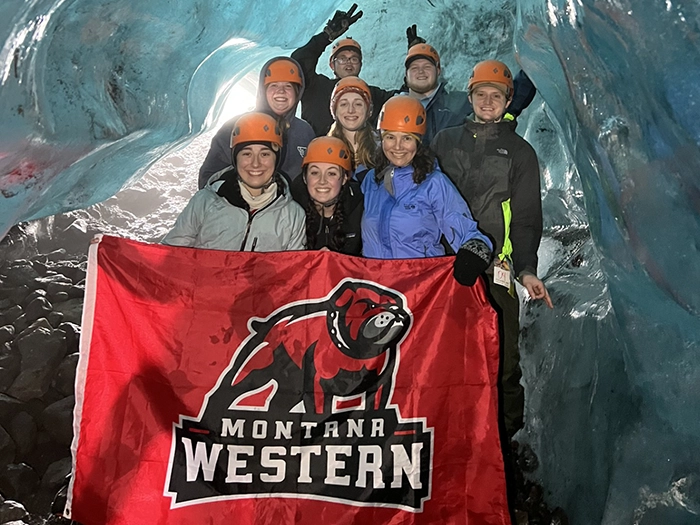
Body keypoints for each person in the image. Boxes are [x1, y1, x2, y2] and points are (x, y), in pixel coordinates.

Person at [431, 59, 553, 437]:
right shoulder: (444, 142)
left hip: (494, 268)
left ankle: (503, 442)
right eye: (481, 94)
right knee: (443, 354)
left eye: (496, 95)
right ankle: (444, 434)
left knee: (502, 358)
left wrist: (526, 268)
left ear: (507, 101)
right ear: (470, 97)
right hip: (443, 270)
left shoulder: (519, 152)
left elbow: (527, 217)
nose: (487, 101)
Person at [361, 95, 493, 285]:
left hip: (419, 288)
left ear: (418, 142)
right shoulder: (371, 181)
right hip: (376, 288)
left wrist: (475, 248)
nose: (397, 147)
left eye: (407, 138)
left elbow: (458, 222)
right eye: (390, 137)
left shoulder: (434, 183)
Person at [164, 112, 305, 252]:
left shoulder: (293, 215)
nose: (255, 164)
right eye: (247, 154)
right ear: (235, 159)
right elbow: (172, 256)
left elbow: (294, 270)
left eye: (265, 154)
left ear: (277, 159)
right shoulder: (206, 202)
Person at [403, 25, 537, 144]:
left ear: (438, 71)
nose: (420, 72)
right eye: (414, 68)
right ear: (406, 74)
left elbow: (505, 100)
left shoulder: (456, 105)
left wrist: (534, 58)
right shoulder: (393, 101)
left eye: (427, 66)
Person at [198, 57, 315, 188]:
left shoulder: (305, 132)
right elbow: (209, 178)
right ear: (263, 91)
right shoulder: (236, 127)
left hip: (292, 208)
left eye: (288, 86)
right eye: (274, 85)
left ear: (297, 92)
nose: (281, 91)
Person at [291, 4, 395, 136]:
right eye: (342, 58)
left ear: (360, 64)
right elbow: (298, 61)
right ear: (331, 65)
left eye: (354, 59)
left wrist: (417, 60)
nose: (348, 62)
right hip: (316, 155)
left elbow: (406, 96)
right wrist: (326, 36)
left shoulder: (374, 95)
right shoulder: (315, 87)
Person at [290, 136, 363, 255]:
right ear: (304, 177)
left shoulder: (360, 209)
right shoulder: (293, 212)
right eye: (315, 173)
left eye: (331, 173)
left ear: (344, 178)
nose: (322, 181)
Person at [328, 76, 378, 182]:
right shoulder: (324, 149)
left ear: (369, 111)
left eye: (358, 104)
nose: (351, 110)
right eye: (344, 104)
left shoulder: (384, 148)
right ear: (335, 111)